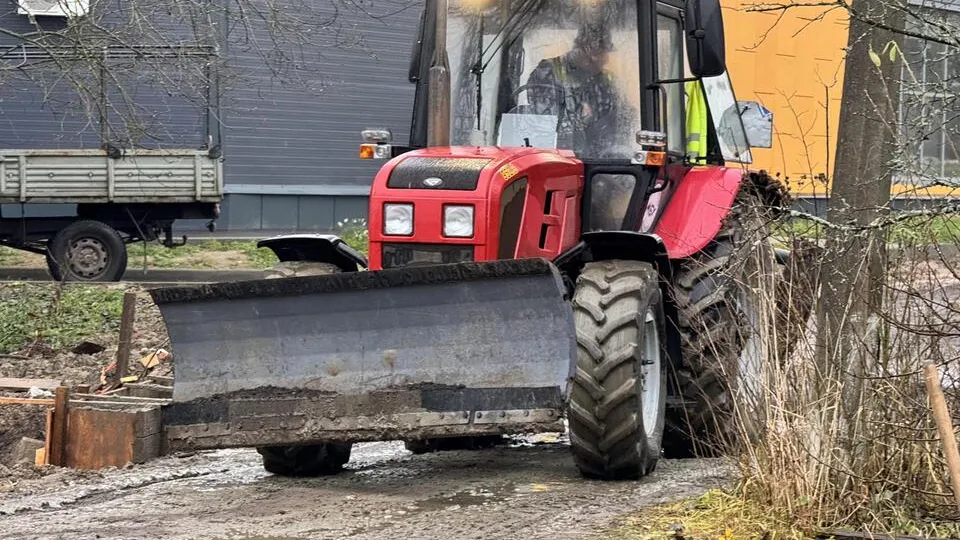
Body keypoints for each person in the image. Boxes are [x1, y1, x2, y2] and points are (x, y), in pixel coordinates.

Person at [522, 21, 631, 157]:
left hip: (598, 161)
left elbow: (623, 117)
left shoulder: (605, 80)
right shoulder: (548, 72)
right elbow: (545, 120)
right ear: (587, 51)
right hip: (557, 156)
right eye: (602, 53)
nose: (606, 60)